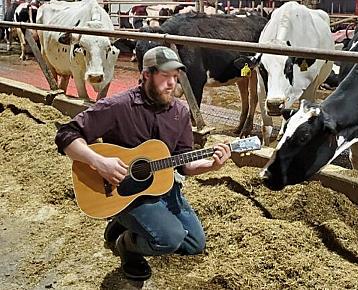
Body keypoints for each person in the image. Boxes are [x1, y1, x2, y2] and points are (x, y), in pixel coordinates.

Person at [55, 46, 231, 281]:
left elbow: (183, 163)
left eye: (175, 77)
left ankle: (123, 226)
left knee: (194, 244)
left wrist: (210, 165)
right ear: (146, 75)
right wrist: (100, 162)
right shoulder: (117, 106)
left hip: (163, 188)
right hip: (123, 190)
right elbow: (66, 134)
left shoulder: (180, 112)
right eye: (165, 76)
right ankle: (125, 244)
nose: (172, 84)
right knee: (169, 239)